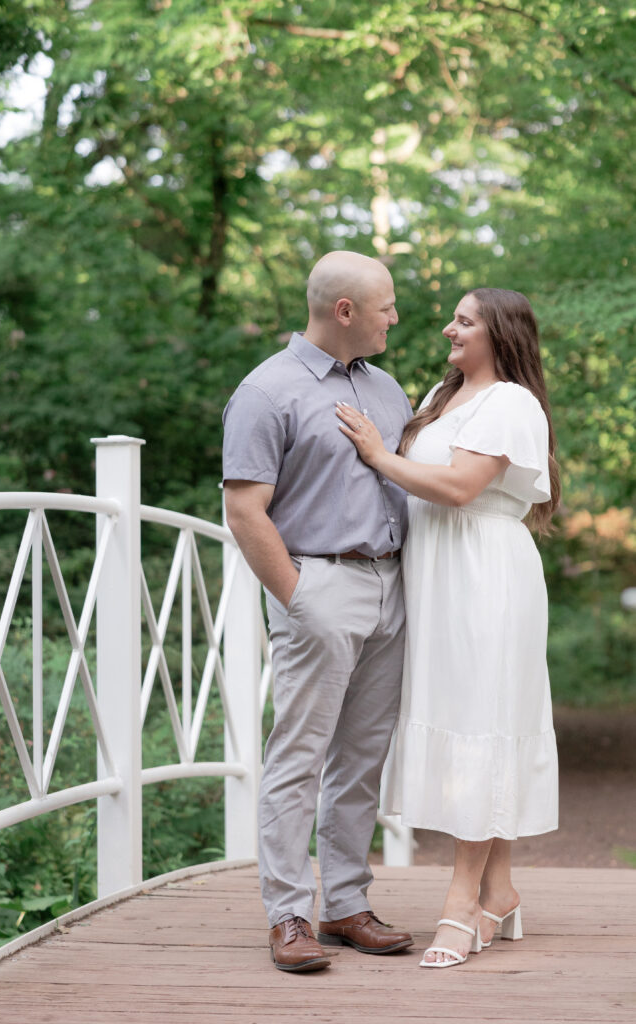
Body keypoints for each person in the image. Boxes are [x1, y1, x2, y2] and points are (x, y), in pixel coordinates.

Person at [336, 287, 560, 968]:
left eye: (463, 321)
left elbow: (460, 487)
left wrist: (378, 455)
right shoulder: (442, 392)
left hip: (485, 574)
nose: (447, 328)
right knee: (465, 716)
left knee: (481, 718)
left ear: (500, 333)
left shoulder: (511, 403)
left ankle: (462, 899)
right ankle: (500, 889)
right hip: (436, 574)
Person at [222, 250, 415, 973]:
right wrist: (300, 601)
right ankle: (287, 916)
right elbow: (244, 511)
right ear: (345, 312)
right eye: (385, 305)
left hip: (392, 587)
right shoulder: (265, 392)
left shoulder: (387, 389)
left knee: (360, 759)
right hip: (320, 588)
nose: (394, 316)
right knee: (298, 757)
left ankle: (344, 903)